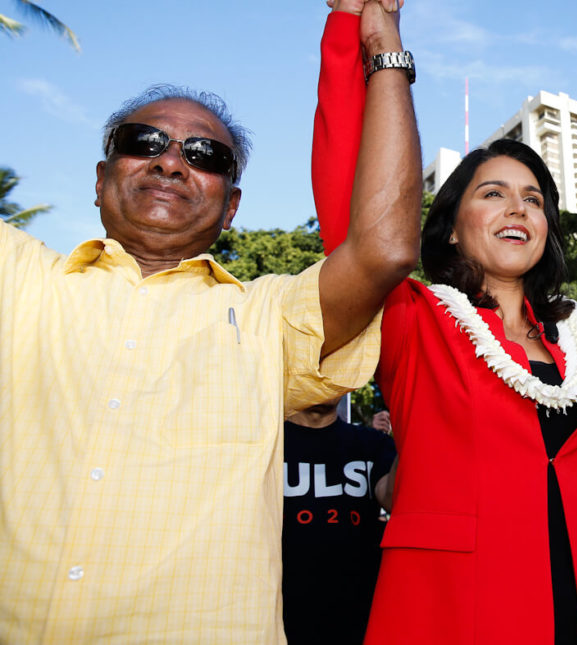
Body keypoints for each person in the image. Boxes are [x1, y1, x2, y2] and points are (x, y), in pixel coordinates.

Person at [313, 7, 577, 643]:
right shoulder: (413, 320)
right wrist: (360, 32)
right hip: (450, 619)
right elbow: (355, 210)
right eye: (492, 193)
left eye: (534, 198)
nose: (517, 206)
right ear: (451, 225)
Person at [0, 1, 418, 641]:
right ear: (99, 177)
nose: (170, 163)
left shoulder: (270, 318)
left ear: (232, 208)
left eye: (204, 155)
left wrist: (382, 44)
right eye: (144, 144)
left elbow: (385, 248)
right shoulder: (19, 276)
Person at [282, 398, 398, 644]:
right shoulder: (265, 446)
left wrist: (414, 426)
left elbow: (391, 498)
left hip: (357, 622)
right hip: (278, 623)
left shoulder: (372, 444)